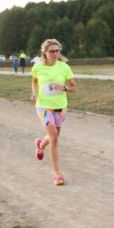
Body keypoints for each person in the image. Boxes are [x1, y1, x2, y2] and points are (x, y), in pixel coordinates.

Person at [30, 39, 76, 186]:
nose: (55, 53)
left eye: (57, 51)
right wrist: (34, 93)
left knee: (53, 136)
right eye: (52, 51)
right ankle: (57, 174)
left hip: (61, 107)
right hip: (43, 106)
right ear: (45, 52)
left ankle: (40, 145)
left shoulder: (64, 67)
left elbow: (73, 88)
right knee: (54, 138)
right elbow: (35, 81)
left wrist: (62, 88)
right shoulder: (38, 67)